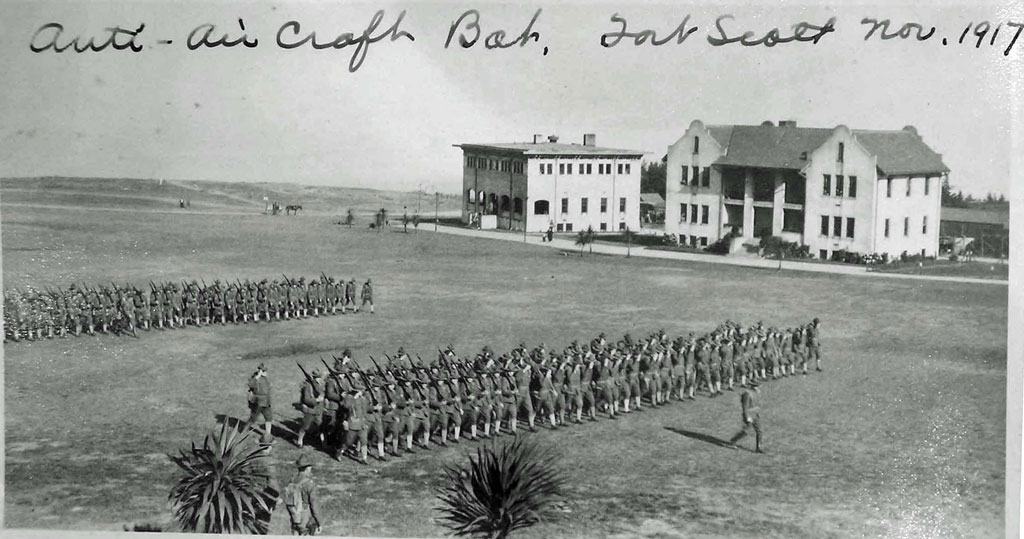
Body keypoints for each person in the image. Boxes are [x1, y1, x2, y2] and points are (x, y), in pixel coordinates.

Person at [284, 454, 322, 535]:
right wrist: (319, 522)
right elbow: (314, 506)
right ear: (307, 468)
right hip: (305, 518)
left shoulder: (292, 480)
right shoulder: (310, 484)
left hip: (294, 516)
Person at [729, 381, 763, 453]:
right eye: (758, 386)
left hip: (756, 414)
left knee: (759, 431)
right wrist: (747, 416)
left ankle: (758, 448)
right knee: (746, 431)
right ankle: (734, 440)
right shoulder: (747, 394)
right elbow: (745, 407)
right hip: (749, 414)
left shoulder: (758, 392)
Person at [247, 363, 273, 446]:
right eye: (264, 371)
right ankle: (244, 430)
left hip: (266, 402)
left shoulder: (266, 379)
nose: (266, 372)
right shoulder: (255, 378)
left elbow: (268, 389)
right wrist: (258, 376)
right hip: (258, 402)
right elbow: (250, 385)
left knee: (269, 417)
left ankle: (268, 433)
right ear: (260, 371)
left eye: (265, 371)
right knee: (253, 418)